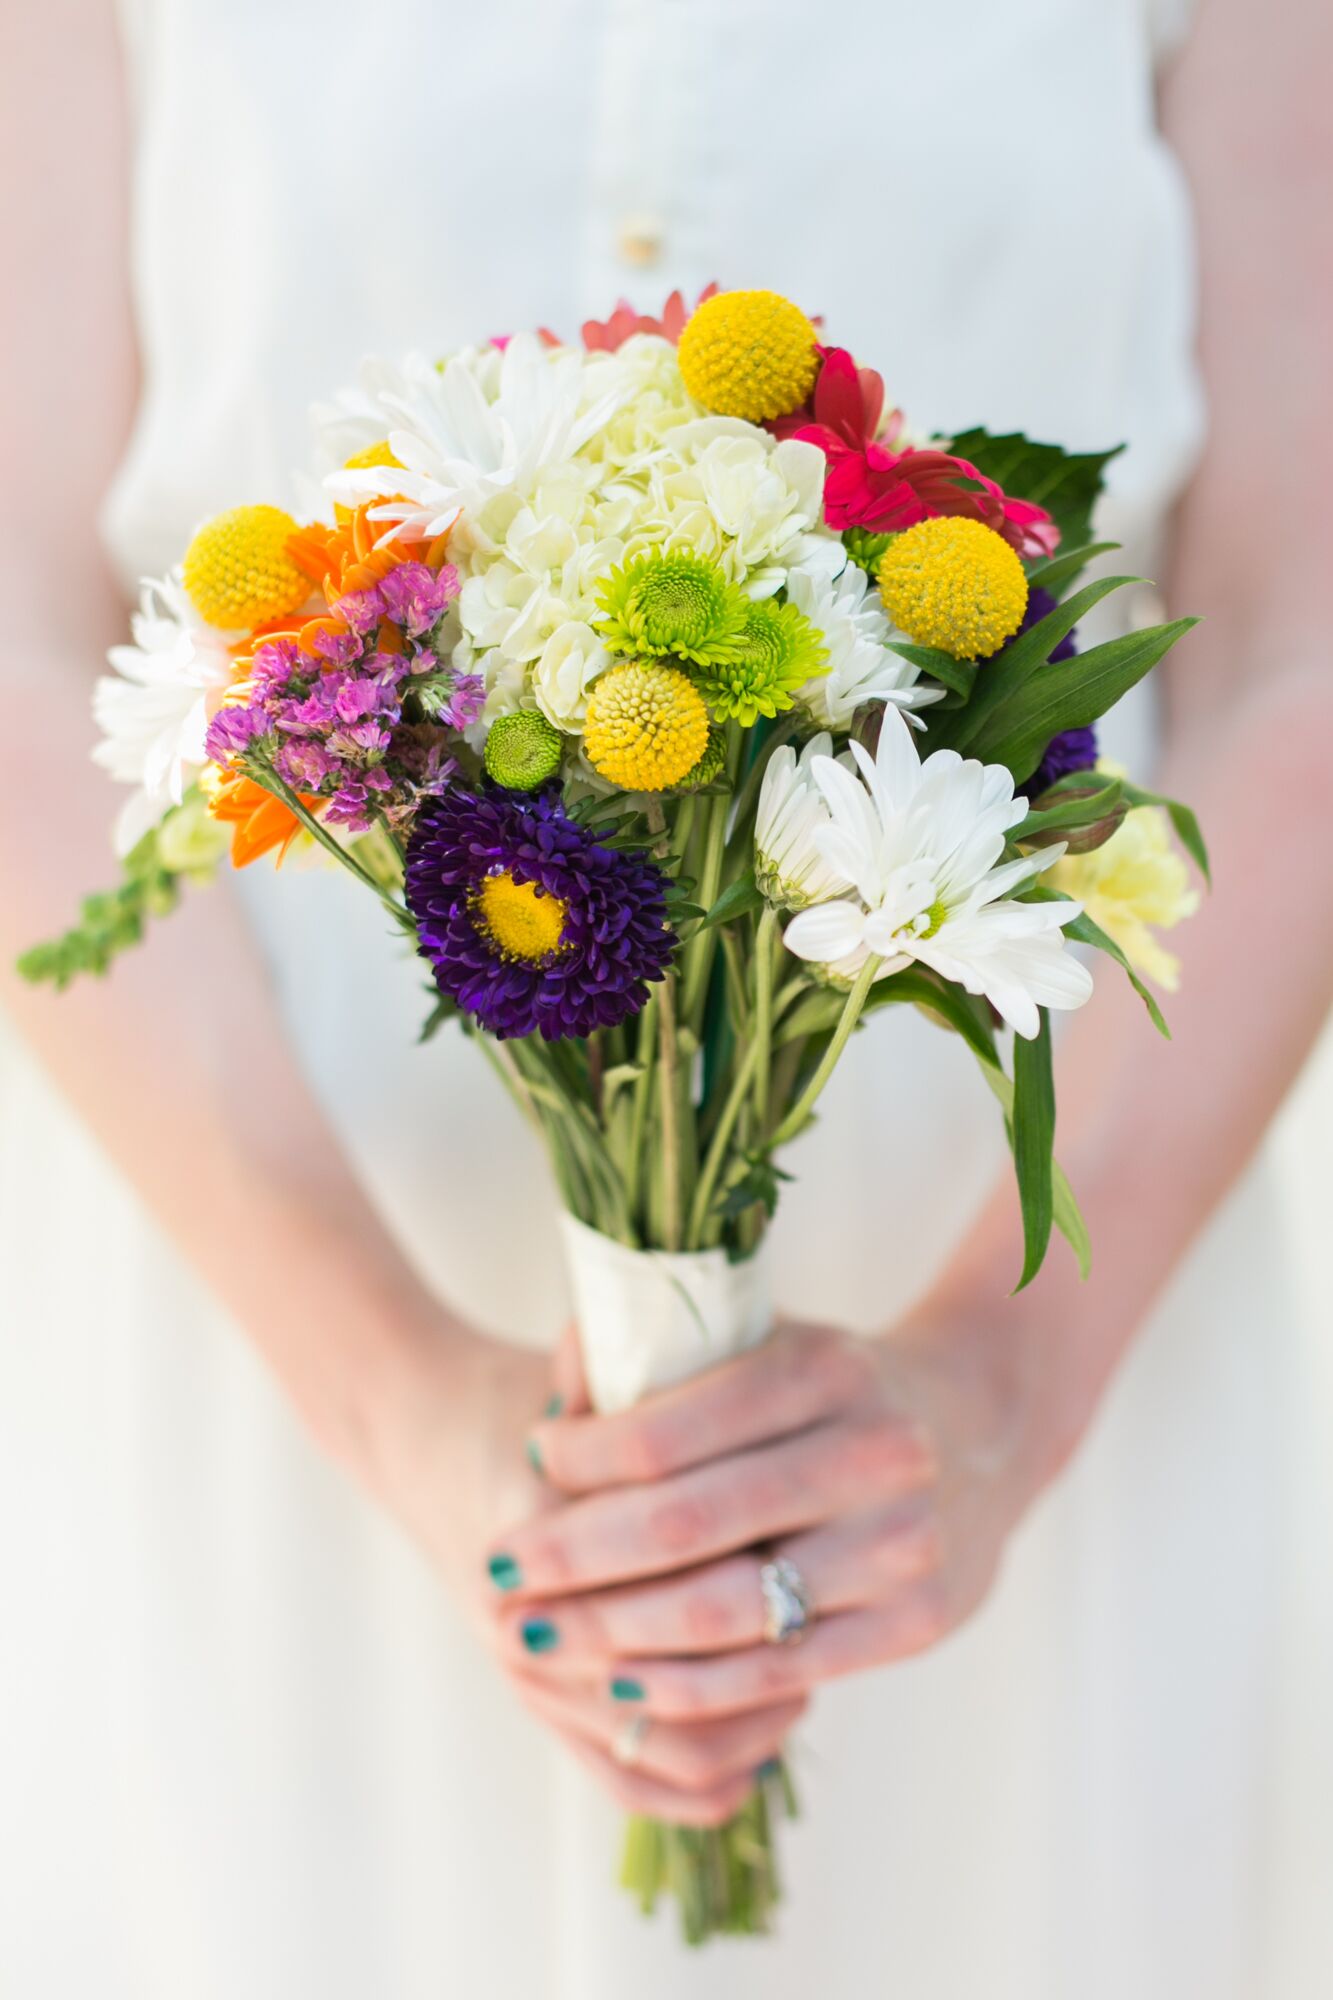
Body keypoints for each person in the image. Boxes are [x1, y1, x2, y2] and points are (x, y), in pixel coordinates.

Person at [2, 1, 1331, 1993]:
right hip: (284, 1342)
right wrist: (405, 1400)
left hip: (1020, 1369)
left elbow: (1289, 649)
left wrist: (999, 1389)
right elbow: (28, 635)